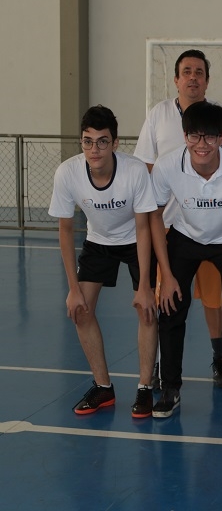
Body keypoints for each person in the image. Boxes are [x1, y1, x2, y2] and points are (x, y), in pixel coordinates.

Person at [135, 49, 222, 389]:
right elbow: (148, 167)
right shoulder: (159, 115)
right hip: (173, 225)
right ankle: (160, 373)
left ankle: (219, 357)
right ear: (176, 79)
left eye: (199, 72)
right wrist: (174, 196)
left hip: (220, 225)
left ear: (207, 80)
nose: (193, 77)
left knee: (218, 298)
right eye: (187, 71)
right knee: (168, 297)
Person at [149, 102, 222, 418]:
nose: (202, 144)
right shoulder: (167, 166)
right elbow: (155, 217)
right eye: (195, 136)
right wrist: (166, 274)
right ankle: (171, 388)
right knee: (170, 309)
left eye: (210, 137)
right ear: (184, 136)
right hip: (185, 238)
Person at [49, 105, 159, 418]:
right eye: (87, 141)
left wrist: (146, 286)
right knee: (80, 310)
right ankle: (103, 387)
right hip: (98, 242)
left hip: (135, 241)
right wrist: (73, 288)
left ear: (115, 142)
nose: (94, 149)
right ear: (81, 141)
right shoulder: (68, 173)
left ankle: (145, 388)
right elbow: (66, 230)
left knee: (147, 309)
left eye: (101, 141)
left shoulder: (134, 170)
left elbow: (143, 225)